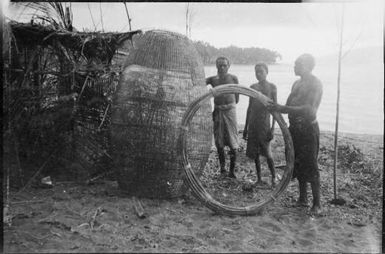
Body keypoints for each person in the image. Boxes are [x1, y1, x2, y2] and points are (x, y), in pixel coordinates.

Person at [267, 53, 323, 214]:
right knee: (296, 163)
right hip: (294, 129)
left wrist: (282, 109)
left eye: (298, 64)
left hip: (308, 129)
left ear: (307, 65)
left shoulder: (315, 83)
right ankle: (303, 198)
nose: (295, 66)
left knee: (310, 164)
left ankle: (317, 204)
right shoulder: (297, 83)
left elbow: (310, 110)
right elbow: (288, 105)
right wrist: (275, 107)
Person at [243, 62, 277, 187]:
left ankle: (274, 178)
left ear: (266, 72)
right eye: (256, 72)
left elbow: (275, 109)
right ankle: (259, 178)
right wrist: (246, 128)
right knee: (256, 153)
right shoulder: (252, 87)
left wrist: (273, 128)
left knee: (268, 153)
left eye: (261, 71)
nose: (258, 74)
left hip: (264, 124)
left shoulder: (272, 87)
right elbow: (249, 108)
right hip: (253, 124)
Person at [206, 57, 239, 178]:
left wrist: (229, 105)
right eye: (220, 65)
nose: (222, 67)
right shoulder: (213, 79)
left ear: (228, 66)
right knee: (219, 142)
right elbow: (199, 83)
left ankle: (232, 171)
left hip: (230, 111)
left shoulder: (233, 78)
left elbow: (238, 96)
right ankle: (223, 168)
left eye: (224, 65)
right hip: (218, 110)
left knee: (233, 142)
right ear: (216, 66)